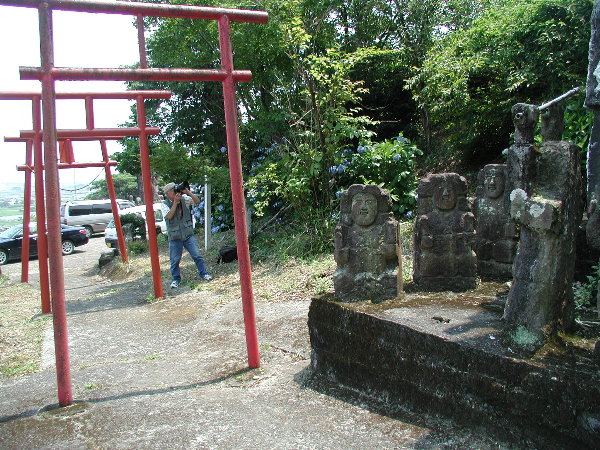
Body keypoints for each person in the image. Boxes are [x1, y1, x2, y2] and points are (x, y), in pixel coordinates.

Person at [161, 182, 212, 288]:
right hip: (175, 236)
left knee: (197, 255)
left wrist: (187, 192)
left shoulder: (185, 199)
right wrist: (175, 202)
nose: (176, 192)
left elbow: (197, 201)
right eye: (173, 190)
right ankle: (176, 279)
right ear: (168, 193)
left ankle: (204, 273)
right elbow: (169, 216)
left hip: (188, 234)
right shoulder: (164, 204)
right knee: (175, 260)